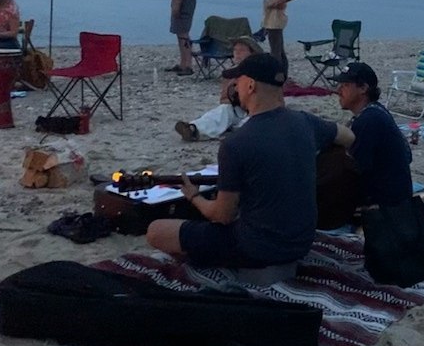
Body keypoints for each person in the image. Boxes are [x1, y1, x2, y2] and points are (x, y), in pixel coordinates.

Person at [147, 53, 355, 268]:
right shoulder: (307, 123)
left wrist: (194, 196)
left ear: (251, 86)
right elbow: (348, 137)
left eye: (237, 82)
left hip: (257, 249)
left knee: (156, 230)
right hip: (301, 241)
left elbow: (222, 216)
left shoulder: (236, 143)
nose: (235, 88)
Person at [333, 62, 413, 208]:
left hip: (385, 205)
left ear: (363, 88)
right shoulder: (376, 111)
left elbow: (355, 169)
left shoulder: (369, 120)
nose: (338, 90)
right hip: (396, 197)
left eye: (345, 85)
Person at [174, 36, 263, 141]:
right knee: (222, 111)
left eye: (242, 50)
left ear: (252, 53)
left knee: (250, 121)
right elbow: (224, 100)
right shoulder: (230, 73)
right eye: (235, 50)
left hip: (255, 111)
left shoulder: (260, 71)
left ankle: (235, 130)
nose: (237, 53)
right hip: (237, 110)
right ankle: (193, 129)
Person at [261, 0, 298, 77]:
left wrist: (277, 3)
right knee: (279, 49)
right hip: (269, 17)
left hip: (276, 18)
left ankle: (276, 76)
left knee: (275, 50)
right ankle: (283, 74)